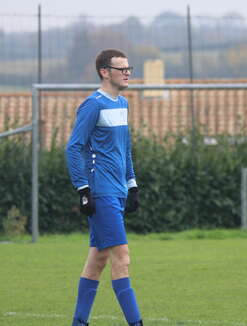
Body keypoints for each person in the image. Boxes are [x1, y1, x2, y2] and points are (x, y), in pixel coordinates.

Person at [66, 49, 142, 325]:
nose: (127, 73)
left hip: (118, 191)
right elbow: (74, 147)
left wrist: (132, 184)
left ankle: (79, 322)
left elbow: (125, 148)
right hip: (101, 192)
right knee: (122, 256)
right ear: (104, 72)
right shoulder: (93, 105)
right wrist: (83, 190)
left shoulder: (121, 103)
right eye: (122, 69)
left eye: (128, 68)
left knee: (97, 260)